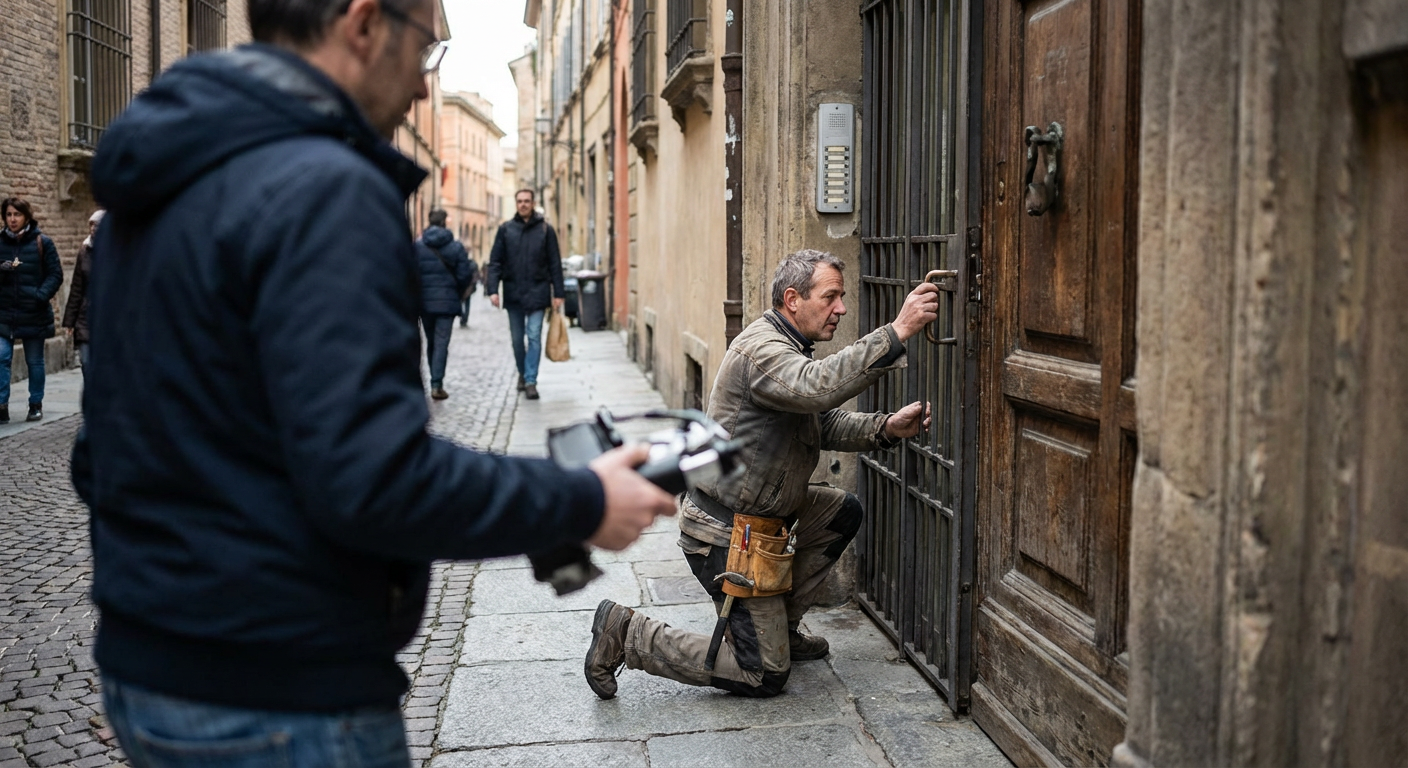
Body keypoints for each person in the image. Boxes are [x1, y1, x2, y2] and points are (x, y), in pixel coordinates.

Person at [74, 1, 676, 765]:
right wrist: (583, 501)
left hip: (149, 668)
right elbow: (375, 480)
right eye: (425, 51)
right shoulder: (324, 185)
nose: (425, 91)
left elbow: (102, 448)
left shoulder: (166, 171)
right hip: (282, 693)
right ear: (362, 23)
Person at [584, 249, 940, 699]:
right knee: (764, 674)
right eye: (831, 297)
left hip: (768, 520)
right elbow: (815, 388)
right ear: (793, 299)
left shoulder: (789, 345)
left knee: (840, 512)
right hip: (727, 537)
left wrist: (885, 427)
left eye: (842, 297)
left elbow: (819, 420)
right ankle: (628, 633)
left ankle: (779, 629)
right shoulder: (764, 351)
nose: (841, 309)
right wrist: (897, 331)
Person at [485, 189, 564, 401]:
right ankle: (522, 371)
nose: (523, 205)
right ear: (515, 203)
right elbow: (495, 262)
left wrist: (559, 292)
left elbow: (555, 263)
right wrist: (492, 289)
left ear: (533, 203)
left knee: (534, 336)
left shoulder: (546, 230)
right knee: (517, 340)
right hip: (513, 293)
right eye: (519, 201)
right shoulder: (505, 230)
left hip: (538, 292)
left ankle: (530, 381)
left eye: (527, 201)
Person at [0, 197, 63, 424]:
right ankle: (1, 405)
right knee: (1, 356)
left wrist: (40, 295)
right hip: (5, 313)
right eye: (8, 214)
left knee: (34, 361)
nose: (12, 219)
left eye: (17, 214)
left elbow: (55, 274)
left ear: (26, 216)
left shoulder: (42, 242)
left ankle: (35, 404)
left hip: (33, 312)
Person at [415, 209, 473, 400]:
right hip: (447, 302)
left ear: (429, 222)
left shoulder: (418, 246)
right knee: (441, 343)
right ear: (444, 223)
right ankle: (436, 384)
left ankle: (434, 380)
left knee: (431, 341)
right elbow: (465, 274)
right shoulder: (455, 247)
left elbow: (409, 272)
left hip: (424, 302)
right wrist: (457, 292)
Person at [62, 209, 103, 377]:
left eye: (98, 225)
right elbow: (77, 287)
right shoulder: (84, 252)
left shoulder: (118, 251)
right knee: (86, 362)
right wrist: (70, 322)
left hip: (109, 317)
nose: (93, 229)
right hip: (85, 316)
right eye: (91, 225)